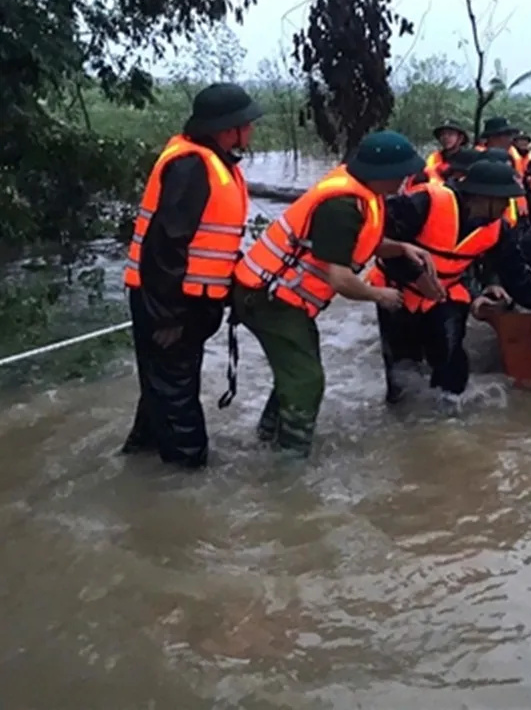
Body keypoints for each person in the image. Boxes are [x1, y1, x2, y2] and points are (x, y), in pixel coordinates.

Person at [230, 131, 442, 458]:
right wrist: (379, 295)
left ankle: (266, 438)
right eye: (400, 173)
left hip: (281, 300)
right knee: (307, 380)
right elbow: (341, 279)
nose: (405, 179)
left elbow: (359, 245)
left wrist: (400, 247)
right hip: (268, 299)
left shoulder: (363, 195)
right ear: (380, 174)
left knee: (297, 372)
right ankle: (289, 463)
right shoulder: (341, 206)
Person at [121, 82, 263, 469]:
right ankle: (185, 480)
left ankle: (138, 463)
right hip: (168, 303)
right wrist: (168, 316)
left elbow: (205, 244)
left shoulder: (213, 163)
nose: (251, 131)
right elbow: (164, 247)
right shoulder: (191, 166)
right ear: (225, 129)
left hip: (189, 302)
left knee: (165, 389)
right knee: (177, 395)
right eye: (246, 124)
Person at [368, 160, 531, 403]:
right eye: (501, 200)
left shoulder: (498, 230)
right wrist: (416, 277)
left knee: (451, 359)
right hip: (397, 290)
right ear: (481, 196)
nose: (505, 207)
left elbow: (514, 271)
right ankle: (403, 418)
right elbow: (379, 239)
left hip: (445, 293)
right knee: (402, 366)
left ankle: (449, 418)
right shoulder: (424, 202)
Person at [422, 119, 469, 184]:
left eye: (450, 134)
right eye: (442, 134)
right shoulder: (434, 157)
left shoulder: (469, 157)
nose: (445, 137)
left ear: (460, 138)